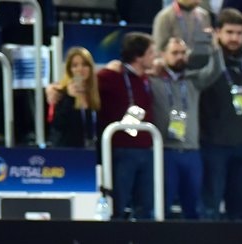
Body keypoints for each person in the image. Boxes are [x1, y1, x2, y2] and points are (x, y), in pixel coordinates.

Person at [151, 34, 223, 221]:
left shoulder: (193, 80)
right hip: (165, 152)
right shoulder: (152, 80)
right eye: (175, 53)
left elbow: (215, 70)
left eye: (183, 53)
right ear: (163, 55)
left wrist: (215, 48)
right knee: (162, 206)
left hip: (192, 152)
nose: (180, 57)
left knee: (193, 208)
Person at [198, 8, 242, 221]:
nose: (234, 38)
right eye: (229, 32)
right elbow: (200, 83)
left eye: (239, 33)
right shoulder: (204, 56)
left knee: (241, 205)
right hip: (213, 143)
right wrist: (214, 53)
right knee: (210, 204)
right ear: (217, 32)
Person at [96, 33, 158, 220]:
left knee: (146, 206)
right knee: (118, 205)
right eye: (151, 53)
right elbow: (85, 83)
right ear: (139, 57)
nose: (155, 57)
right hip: (122, 151)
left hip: (146, 151)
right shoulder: (110, 76)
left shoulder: (146, 79)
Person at [45, 47, 101, 149]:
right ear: (69, 69)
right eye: (75, 65)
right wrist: (69, 98)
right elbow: (57, 125)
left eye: (84, 65)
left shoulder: (95, 93)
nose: (80, 69)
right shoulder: (60, 93)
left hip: (91, 152)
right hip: (67, 153)